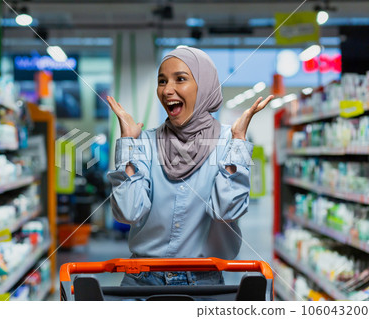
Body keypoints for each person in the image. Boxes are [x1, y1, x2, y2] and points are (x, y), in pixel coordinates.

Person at [106, 46, 273, 286]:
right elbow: (128, 212)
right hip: (141, 281)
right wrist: (128, 144)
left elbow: (226, 211)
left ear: (204, 86)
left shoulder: (229, 142)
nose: (167, 90)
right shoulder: (143, 141)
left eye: (180, 79)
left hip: (204, 284)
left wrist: (238, 142)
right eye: (161, 81)